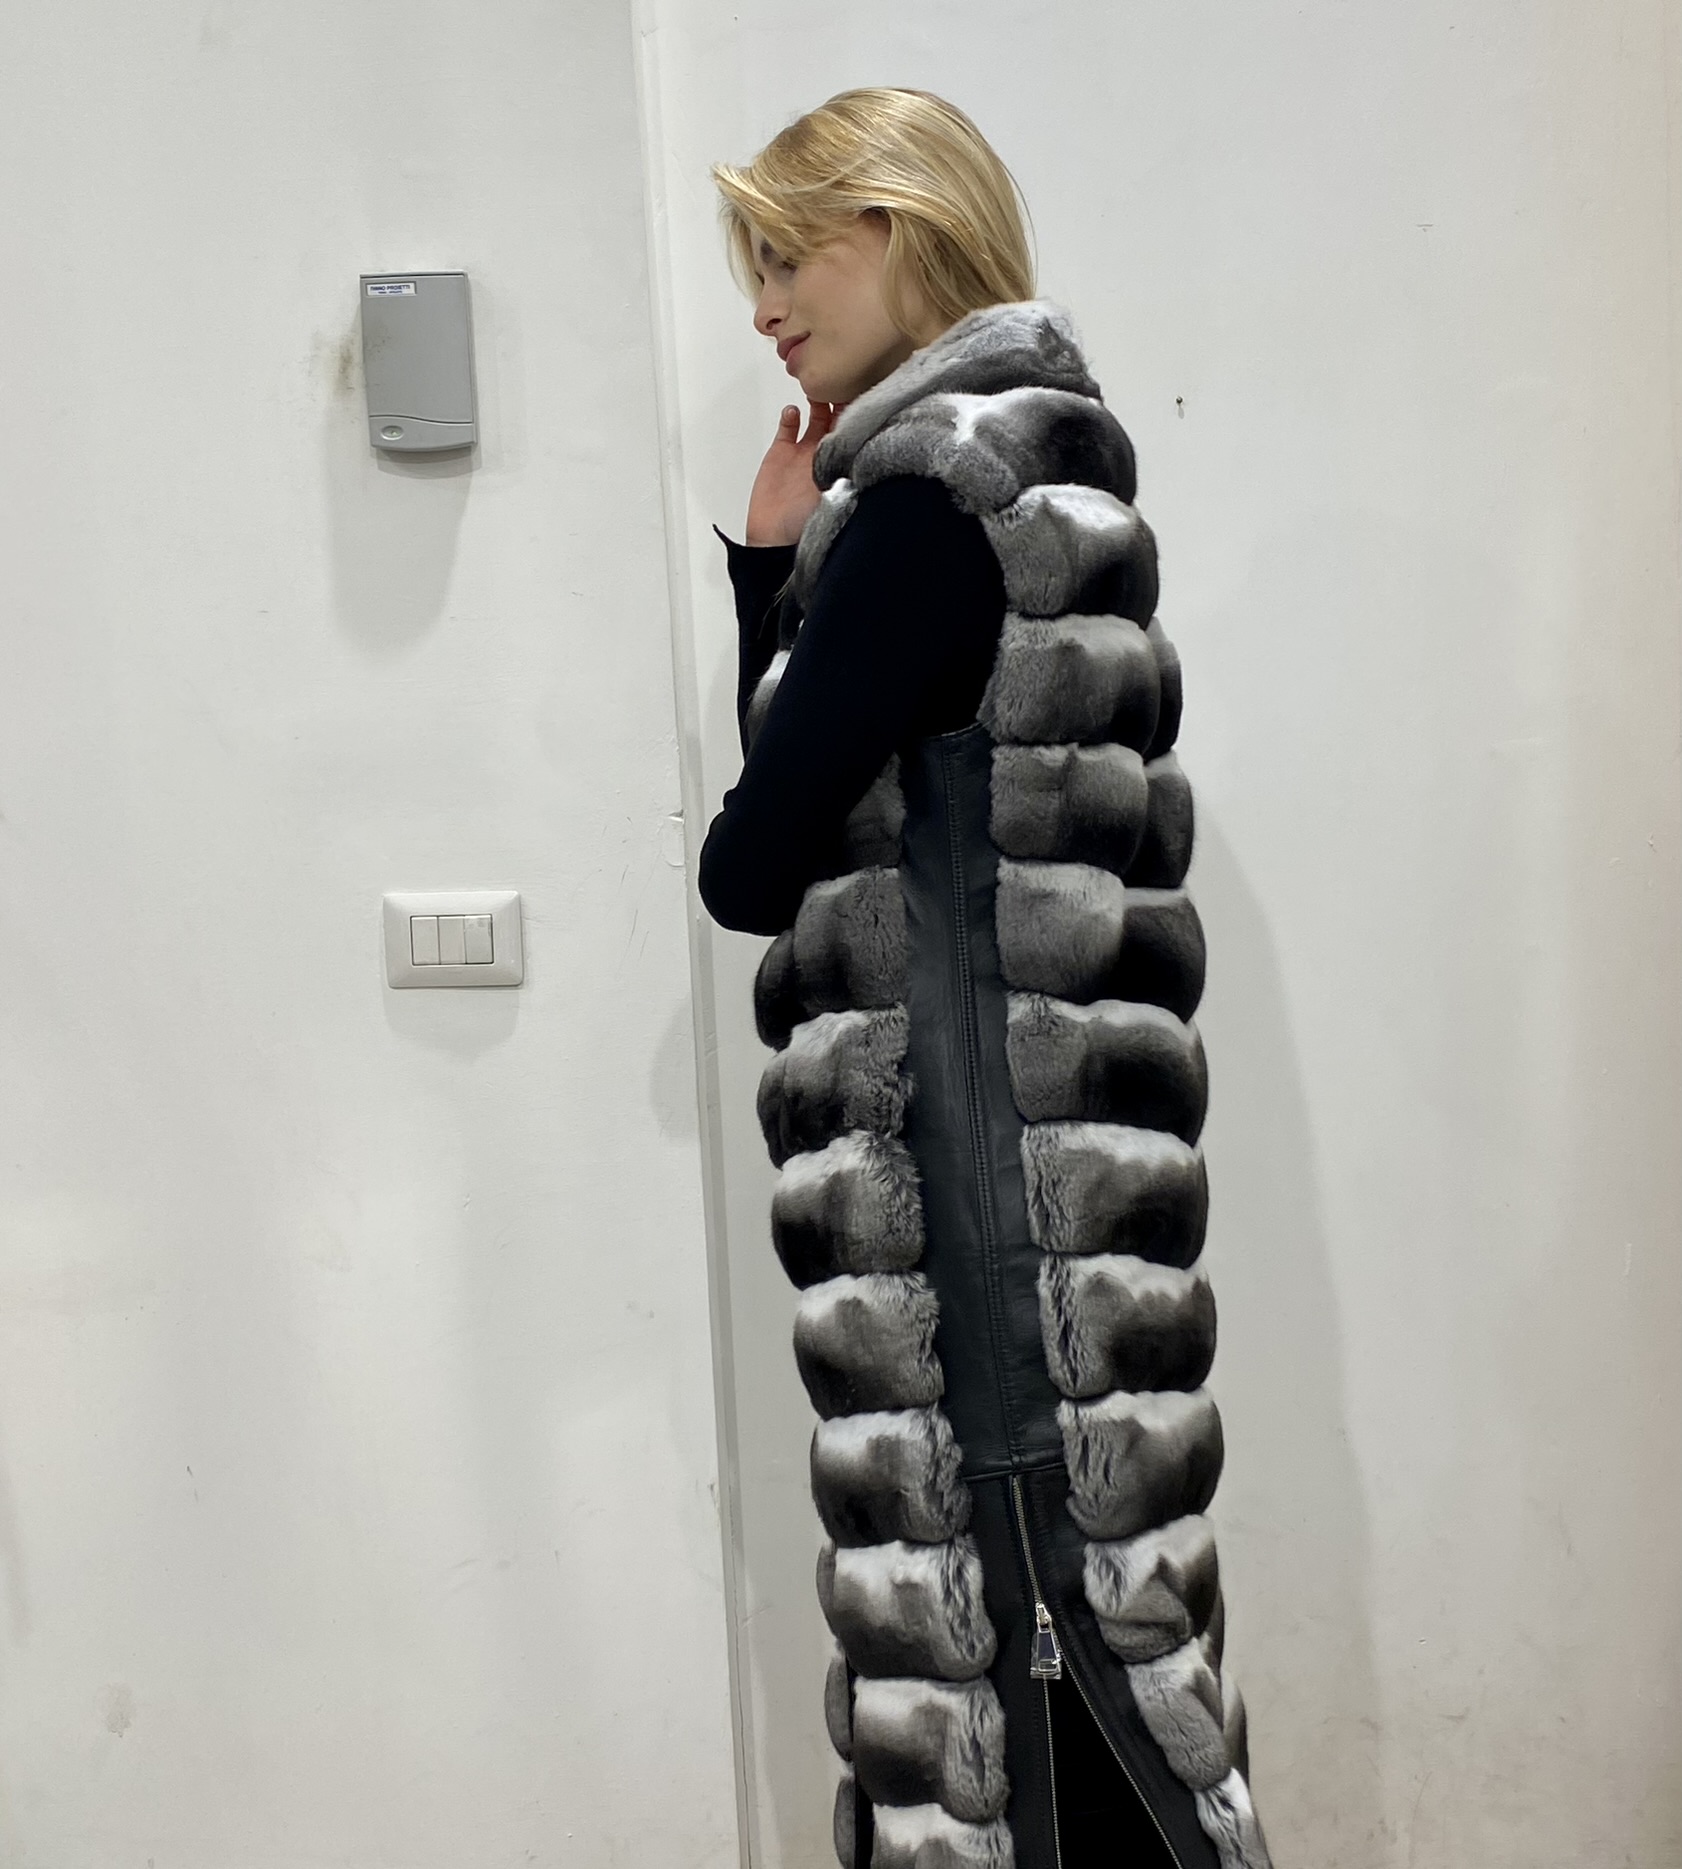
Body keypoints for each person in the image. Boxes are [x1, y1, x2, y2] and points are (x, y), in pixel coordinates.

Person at [699, 88, 1271, 1869]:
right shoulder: (1048, 475)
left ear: (896, 222)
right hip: (1068, 1227)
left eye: (789, 254)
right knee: (1116, 1637)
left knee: (1034, 1668)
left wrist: (773, 580)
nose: (764, 307)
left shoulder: (926, 509)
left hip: (976, 1223)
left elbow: (753, 861)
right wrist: (786, 570)